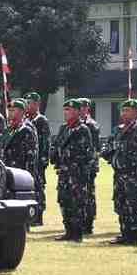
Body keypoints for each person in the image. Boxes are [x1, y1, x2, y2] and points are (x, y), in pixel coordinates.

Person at [101, 99, 137, 246]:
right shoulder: (119, 130)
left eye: (128, 110)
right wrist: (114, 159)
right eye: (123, 110)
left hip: (135, 175)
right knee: (121, 204)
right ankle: (125, 233)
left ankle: (135, 235)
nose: (124, 113)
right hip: (120, 174)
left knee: (135, 204)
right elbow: (108, 149)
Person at [49, 99, 94, 242]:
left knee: (77, 202)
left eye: (69, 110)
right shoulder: (64, 128)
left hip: (77, 173)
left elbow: (85, 153)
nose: (66, 113)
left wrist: (66, 155)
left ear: (76, 111)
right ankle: (68, 231)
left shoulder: (82, 129)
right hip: (64, 172)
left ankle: (77, 232)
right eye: (65, 110)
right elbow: (56, 146)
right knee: (64, 200)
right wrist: (55, 155)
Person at [24, 92, 51, 226]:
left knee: (38, 188)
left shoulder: (41, 120)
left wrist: (44, 159)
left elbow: (45, 142)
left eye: (31, 103)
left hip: (38, 161)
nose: (28, 105)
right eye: (27, 102)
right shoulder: (26, 120)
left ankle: (38, 216)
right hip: (28, 161)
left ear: (37, 104)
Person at [0, 99, 39, 175]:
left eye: (13, 110)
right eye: (9, 110)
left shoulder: (26, 130)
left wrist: (29, 176)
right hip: (5, 171)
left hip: (20, 173)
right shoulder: (7, 130)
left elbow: (31, 157)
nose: (10, 113)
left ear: (21, 112)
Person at [78, 98, 101, 235]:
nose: (80, 110)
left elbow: (94, 148)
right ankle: (80, 221)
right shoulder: (75, 124)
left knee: (88, 194)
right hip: (78, 166)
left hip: (89, 165)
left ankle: (88, 223)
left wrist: (90, 165)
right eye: (78, 108)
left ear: (87, 109)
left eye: (82, 108)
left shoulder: (91, 125)